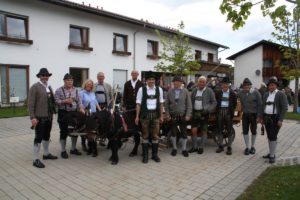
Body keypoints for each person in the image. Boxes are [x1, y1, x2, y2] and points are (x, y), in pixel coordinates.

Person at [28, 68, 58, 168]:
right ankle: (35, 159)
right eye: (43, 75)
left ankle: (46, 154)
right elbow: (31, 104)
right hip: (39, 117)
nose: (45, 77)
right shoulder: (35, 87)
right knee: (38, 138)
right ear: (39, 77)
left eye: (46, 75)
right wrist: (32, 117)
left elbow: (52, 101)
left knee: (46, 136)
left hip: (49, 116)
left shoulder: (49, 87)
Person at [135, 71, 164, 164]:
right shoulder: (141, 89)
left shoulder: (159, 90)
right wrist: (137, 116)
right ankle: (145, 155)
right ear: (146, 80)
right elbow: (138, 104)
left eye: (153, 79)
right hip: (145, 115)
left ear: (155, 80)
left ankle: (155, 155)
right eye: (149, 79)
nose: (151, 81)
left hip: (155, 115)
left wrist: (161, 116)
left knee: (155, 136)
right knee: (145, 135)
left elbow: (161, 103)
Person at [55, 73, 84, 159]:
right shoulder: (59, 90)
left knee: (75, 131)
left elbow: (79, 101)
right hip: (63, 113)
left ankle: (73, 148)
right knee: (63, 132)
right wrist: (65, 101)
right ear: (64, 81)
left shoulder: (76, 90)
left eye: (71, 80)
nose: (70, 82)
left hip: (74, 113)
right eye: (68, 80)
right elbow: (56, 101)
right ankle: (63, 150)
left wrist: (81, 108)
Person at [262, 76, 288, 163]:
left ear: (276, 86)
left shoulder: (281, 94)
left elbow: (285, 107)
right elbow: (263, 106)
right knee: (269, 136)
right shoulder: (266, 94)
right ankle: (270, 152)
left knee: (273, 136)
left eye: (273, 85)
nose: (271, 86)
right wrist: (261, 117)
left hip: (275, 118)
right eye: (270, 85)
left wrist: (281, 119)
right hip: (266, 117)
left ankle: (272, 155)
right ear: (268, 86)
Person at [165, 76, 192, 157]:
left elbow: (189, 104)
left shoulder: (185, 91)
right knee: (173, 132)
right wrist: (167, 115)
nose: (175, 83)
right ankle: (174, 148)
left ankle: (184, 149)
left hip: (183, 115)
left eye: (177, 82)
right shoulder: (169, 91)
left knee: (184, 133)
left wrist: (188, 115)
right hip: (173, 116)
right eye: (174, 82)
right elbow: (166, 105)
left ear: (181, 83)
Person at [189, 76, 217, 154]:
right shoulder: (194, 90)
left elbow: (214, 102)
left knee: (203, 130)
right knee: (193, 130)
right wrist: (190, 112)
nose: (201, 83)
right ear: (198, 82)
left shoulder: (209, 91)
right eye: (200, 82)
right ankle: (194, 147)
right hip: (195, 113)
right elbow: (191, 102)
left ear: (205, 83)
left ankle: (201, 147)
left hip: (204, 113)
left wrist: (208, 109)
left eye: (203, 82)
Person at [238, 78, 262, 155]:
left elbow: (260, 105)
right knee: (245, 131)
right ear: (243, 86)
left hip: (254, 115)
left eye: (248, 85)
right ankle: (247, 147)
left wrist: (259, 116)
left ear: (250, 85)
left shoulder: (256, 93)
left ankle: (253, 146)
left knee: (253, 131)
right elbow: (235, 98)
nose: (246, 87)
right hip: (245, 115)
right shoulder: (241, 93)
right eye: (245, 85)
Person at [122, 70, 143, 157]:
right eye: (133, 73)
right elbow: (125, 95)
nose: (134, 75)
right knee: (131, 125)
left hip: (139, 107)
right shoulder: (127, 83)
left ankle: (143, 143)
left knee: (139, 125)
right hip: (130, 107)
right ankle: (131, 137)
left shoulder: (141, 84)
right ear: (131, 74)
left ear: (138, 75)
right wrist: (124, 105)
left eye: (136, 73)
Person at [215, 77, 237, 155]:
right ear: (221, 85)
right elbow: (216, 102)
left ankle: (229, 147)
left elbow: (234, 104)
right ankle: (220, 146)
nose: (225, 85)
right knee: (219, 129)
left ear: (229, 85)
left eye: (226, 84)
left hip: (228, 113)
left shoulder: (232, 93)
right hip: (220, 112)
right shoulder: (218, 93)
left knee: (229, 130)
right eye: (223, 84)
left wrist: (230, 111)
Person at [80, 79, 101, 156]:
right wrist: (84, 112)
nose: (89, 85)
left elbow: (95, 102)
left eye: (91, 84)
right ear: (85, 85)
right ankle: (90, 148)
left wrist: (100, 110)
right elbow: (80, 104)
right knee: (89, 133)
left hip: (94, 114)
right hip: (86, 114)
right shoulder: (81, 93)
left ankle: (93, 149)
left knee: (93, 132)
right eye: (88, 84)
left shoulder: (92, 93)